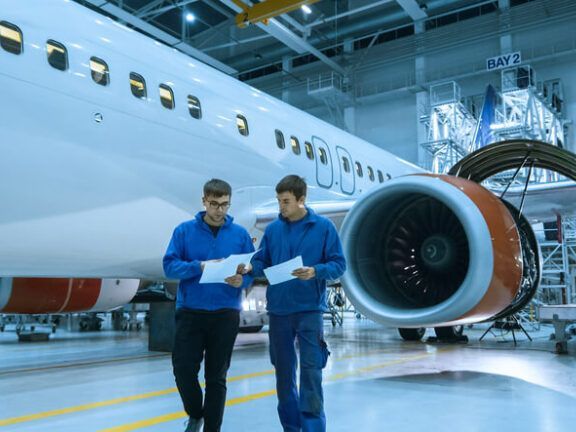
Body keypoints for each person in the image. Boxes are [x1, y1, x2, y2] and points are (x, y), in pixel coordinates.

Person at [250, 175, 346, 432]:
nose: (281, 206)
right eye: (279, 201)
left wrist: (315, 271)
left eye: (286, 201)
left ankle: (314, 427)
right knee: (283, 374)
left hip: (309, 311)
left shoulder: (323, 228)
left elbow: (339, 264)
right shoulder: (272, 230)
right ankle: (291, 427)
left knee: (311, 372)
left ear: (301, 200)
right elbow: (263, 262)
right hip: (279, 311)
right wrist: (249, 266)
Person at [163, 179, 254, 432]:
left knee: (217, 377)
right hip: (191, 312)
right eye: (214, 204)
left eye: (224, 205)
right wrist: (199, 266)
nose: (219, 210)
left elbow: (249, 269)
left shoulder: (240, 235)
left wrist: (241, 280)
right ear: (204, 201)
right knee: (182, 369)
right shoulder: (183, 232)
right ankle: (195, 413)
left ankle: (212, 428)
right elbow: (169, 266)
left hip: (226, 314)